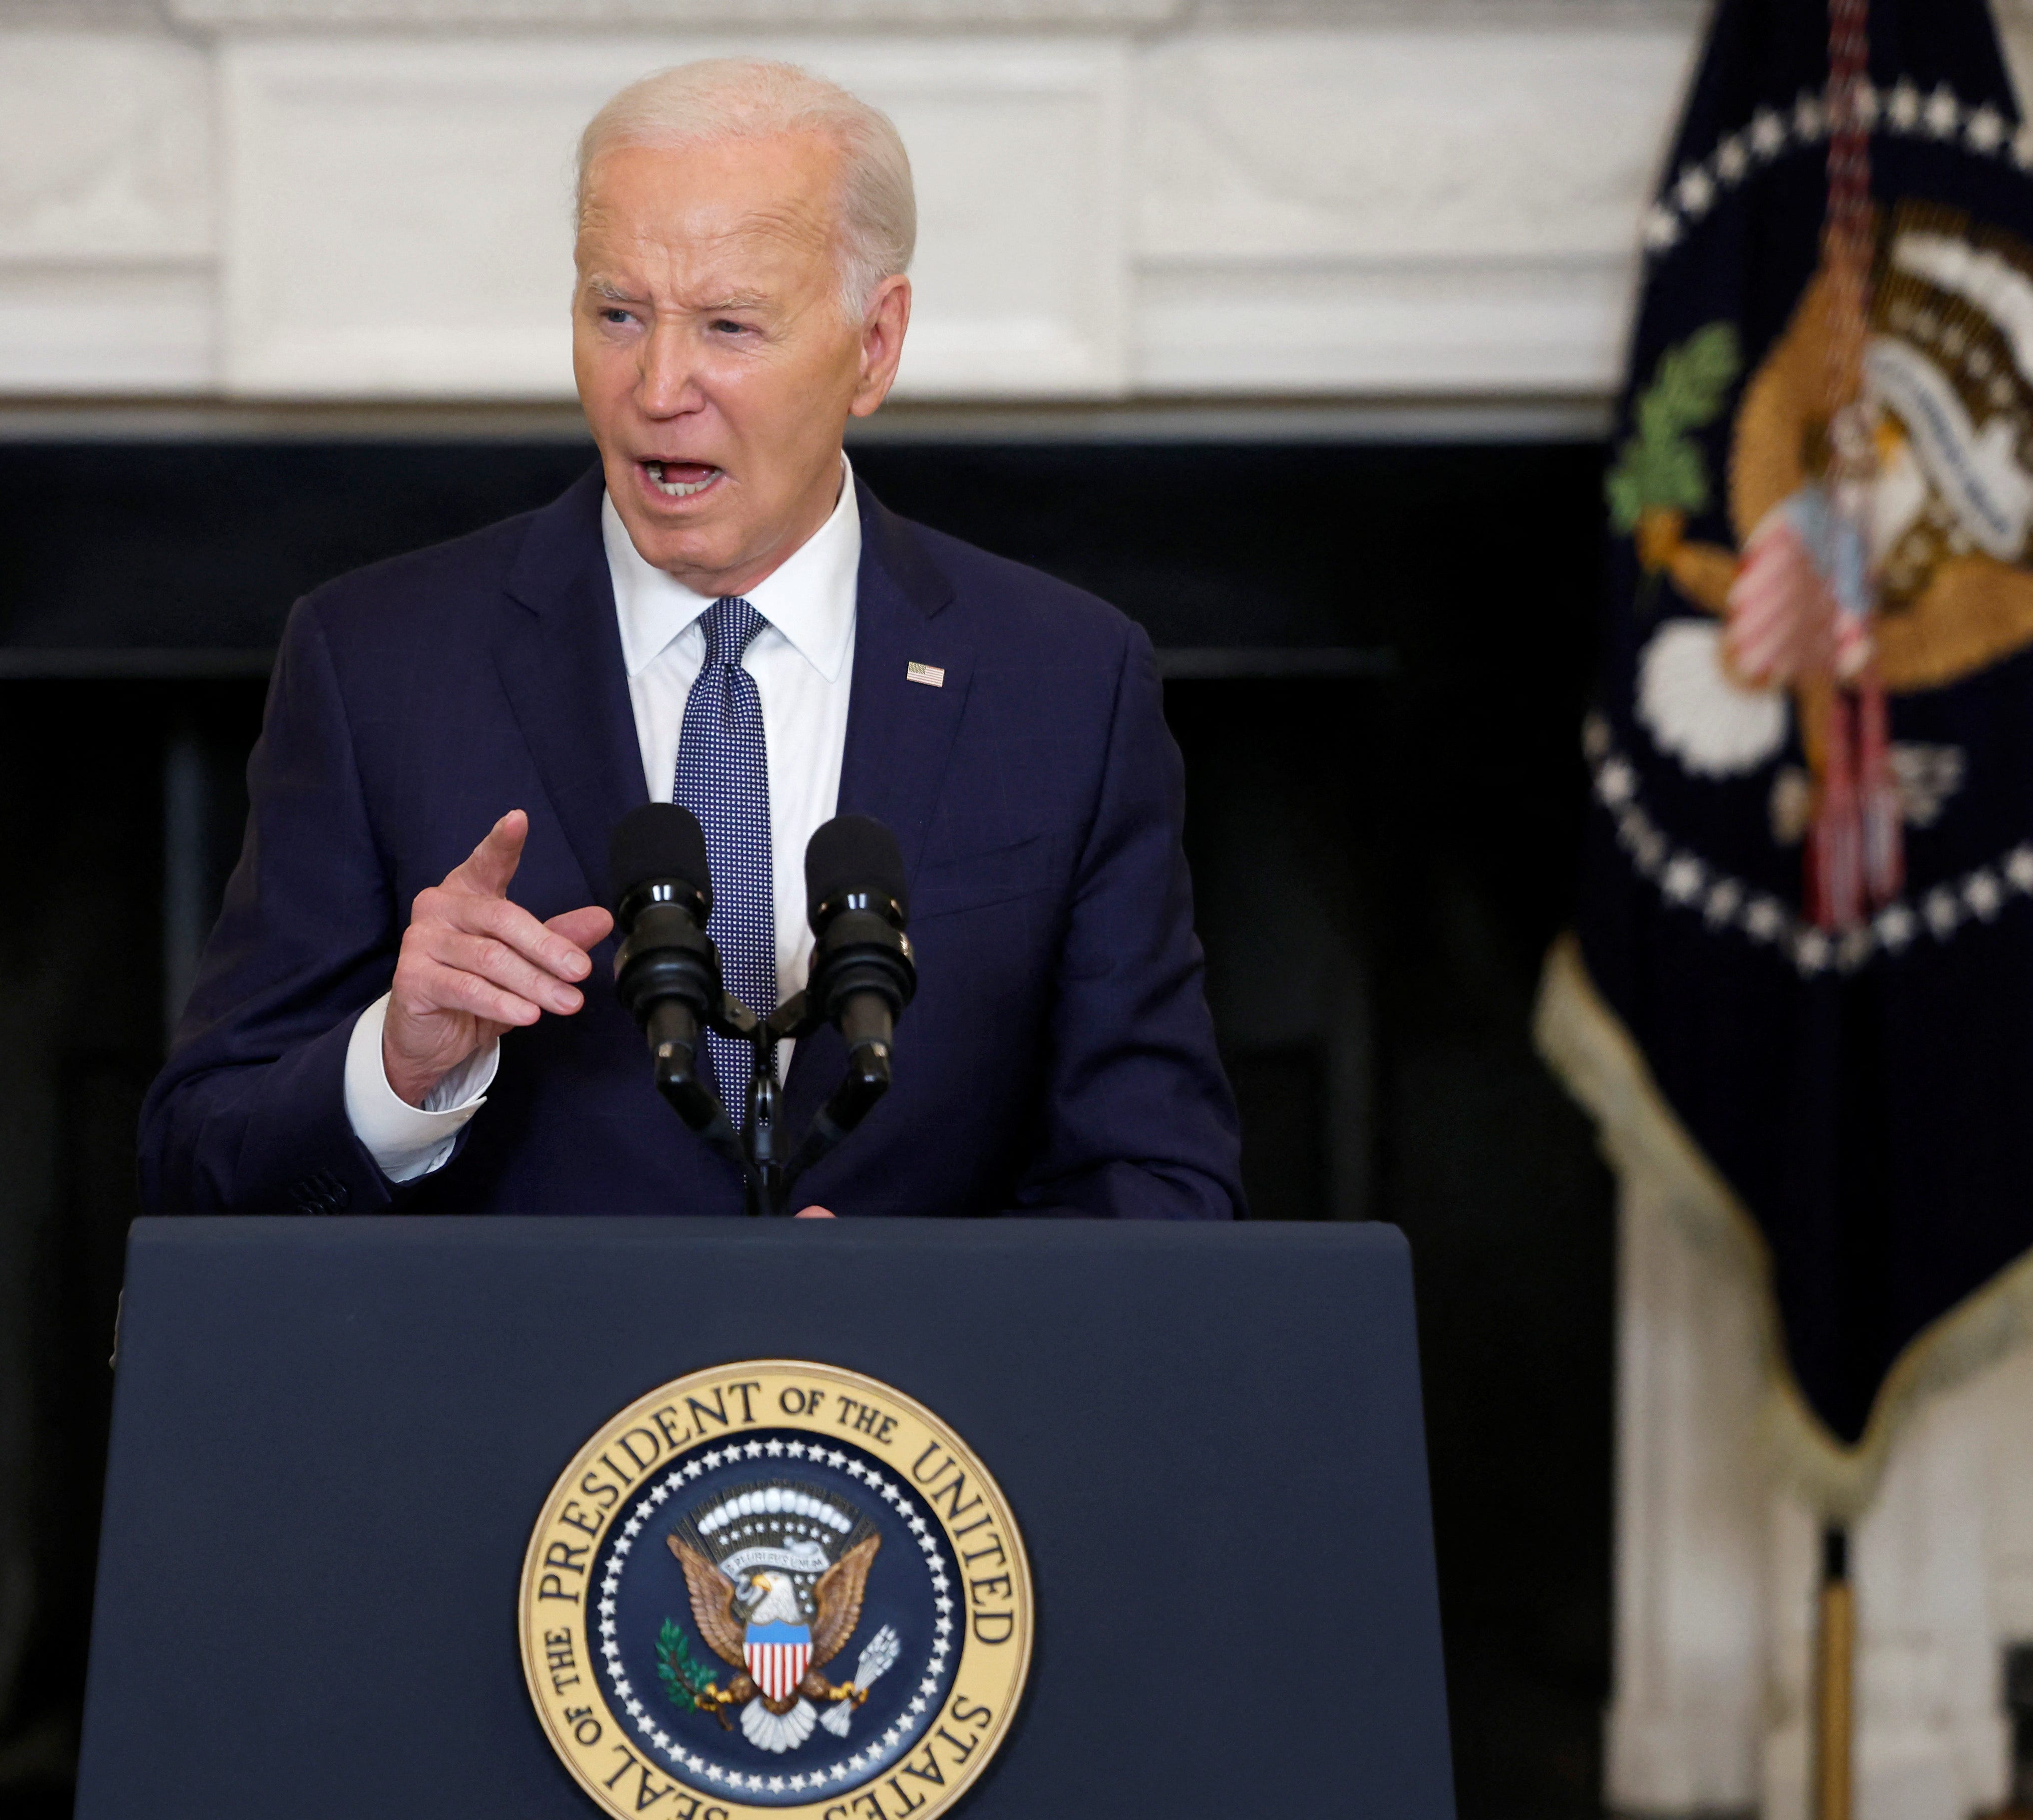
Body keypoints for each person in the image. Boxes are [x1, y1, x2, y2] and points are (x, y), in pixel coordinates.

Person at [139, 57, 1240, 1218]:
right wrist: (397, 1070)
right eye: (617, 314)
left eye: (729, 324)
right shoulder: (377, 665)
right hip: (527, 1396)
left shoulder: (1066, 681)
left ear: (876, 342)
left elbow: (1160, 1181)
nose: (659, 385)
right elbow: (198, 1168)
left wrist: (933, 1313)